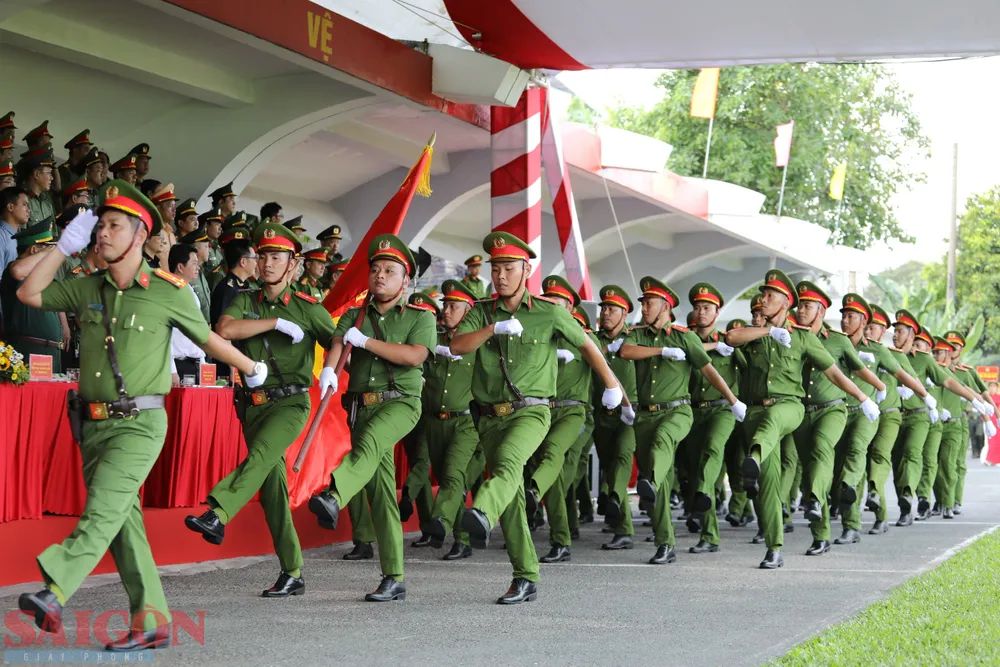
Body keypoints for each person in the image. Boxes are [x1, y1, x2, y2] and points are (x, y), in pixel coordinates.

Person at [15, 180, 267, 651]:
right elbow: (29, 293)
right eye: (100, 226)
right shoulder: (88, 286)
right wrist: (62, 247)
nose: (102, 233)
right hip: (90, 425)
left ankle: (55, 589)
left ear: (138, 236)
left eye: (113, 226)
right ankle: (150, 620)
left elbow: (208, 339)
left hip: (139, 424)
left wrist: (251, 368)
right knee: (122, 523)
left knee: (103, 509)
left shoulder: (168, 292)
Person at [446, 231, 624, 604]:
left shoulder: (549, 312)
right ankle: (525, 576)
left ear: (525, 270)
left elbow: (587, 344)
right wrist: (492, 328)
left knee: (509, 467)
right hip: (490, 416)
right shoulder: (481, 311)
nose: (500, 276)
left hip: (532, 411)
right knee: (510, 496)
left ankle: (480, 509)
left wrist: (612, 385)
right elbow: (457, 345)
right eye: (496, 269)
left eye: (509, 268)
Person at [185, 221, 334, 598]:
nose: (267, 263)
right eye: (262, 255)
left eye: (276, 256)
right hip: (252, 407)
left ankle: (216, 514)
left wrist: (330, 366)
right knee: (272, 492)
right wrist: (275, 323)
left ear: (293, 264)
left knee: (262, 456)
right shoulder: (245, 301)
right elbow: (223, 329)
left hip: (291, 403)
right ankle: (293, 571)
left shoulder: (307, 308)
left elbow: (335, 340)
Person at [307, 234, 436, 603]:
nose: (380, 275)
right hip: (360, 405)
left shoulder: (419, 317)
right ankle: (394, 577)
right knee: (380, 494)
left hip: (400, 403)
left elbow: (414, 356)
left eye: (390, 271)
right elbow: (336, 344)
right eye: (376, 269)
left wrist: (365, 343)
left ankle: (334, 494)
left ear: (405, 280)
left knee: (369, 443)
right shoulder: (354, 314)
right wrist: (331, 369)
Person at [725, 272, 879, 569]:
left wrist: (865, 398)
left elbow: (834, 372)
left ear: (785, 303)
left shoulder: (804, 337)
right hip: (757, 412)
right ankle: (774, 547)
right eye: (763, 295)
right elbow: (731, 338)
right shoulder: (757, 332)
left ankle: (754, 458)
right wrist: (767, 332)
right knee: (772, 482)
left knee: (813, 450)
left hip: (792, 407)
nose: (763, 300)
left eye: (770, 296)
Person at [619, 277, 744, 564]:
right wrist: (660, 351)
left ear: (665, 306)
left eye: (648, 303)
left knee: (672, 450)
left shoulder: (683, 337)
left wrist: (734, 401)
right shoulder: (637, 334)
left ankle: (652, 482)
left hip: (678, 410)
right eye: (643, 303)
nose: (644, 307)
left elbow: (710, 370)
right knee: (663, 482)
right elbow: (626, 352)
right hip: (645, 415)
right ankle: (666, 542)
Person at [788, 282, 882, 556]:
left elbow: (859, 370)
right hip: (802, 412)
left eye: (807, 306)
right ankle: (822, 535)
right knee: (812, 471)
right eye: (799, 305)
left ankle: (850, 524)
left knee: (828, 451)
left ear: (820, 311)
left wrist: (881, 390)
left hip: (833, 409)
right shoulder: (792, 336)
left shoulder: (838, 341)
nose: (801, 310)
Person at [416, 280, 486, 560]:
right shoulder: (433, 341)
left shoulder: (481, 343)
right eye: (445, 305)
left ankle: (441, 522)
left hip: (467, 421)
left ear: (468, 311)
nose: (446, 311)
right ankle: (462, 539)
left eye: (453, 306)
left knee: (454, 474)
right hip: (435, 421)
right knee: (449, 477)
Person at [681, 282, 748, 554]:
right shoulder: (685, 339)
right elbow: (685, 354)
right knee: (695, 467)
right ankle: (709, 536)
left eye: (706, 308)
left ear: (717, 312)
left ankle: (704, 494)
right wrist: (711, 348)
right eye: (697, 307)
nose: (700, 312)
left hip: (723, 408)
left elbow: (749, 371)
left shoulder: (730, 343)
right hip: (693, 409)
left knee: (713, 448)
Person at [861, 304, 939, 535]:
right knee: (891, 462)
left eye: (902, 331)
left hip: (915, 417)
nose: (896, 335)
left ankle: (908, 494)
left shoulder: (918, 360)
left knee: (912, 454)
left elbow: (933, 380)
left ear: (912, 335)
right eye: (894, 330)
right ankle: (894, 508)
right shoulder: (881, 353)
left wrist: (925, 395)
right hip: (887, 415)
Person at [589, 285, 637, 550]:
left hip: (628, 417)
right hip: (602, 415)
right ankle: (614, 502)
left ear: (625, 314)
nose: (606, 313)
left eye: (612, 309)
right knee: (609, 465)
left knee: (621, 460)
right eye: (604, 308)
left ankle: (624, 527)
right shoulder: (594, 340)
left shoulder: (636, 340)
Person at [0, 220, 64, 371]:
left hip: (51, 352)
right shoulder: (15, 270)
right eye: (48, 248)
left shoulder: (41, 276)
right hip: (30, 352)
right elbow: (18, 270)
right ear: (35, 250)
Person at [167, 244, 207, 383]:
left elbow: (197, 332)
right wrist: (172, 370)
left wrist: (203, 363)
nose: (198, 267)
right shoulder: (170, 293)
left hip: (194, 364)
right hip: (178, 366)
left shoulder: (189, 290)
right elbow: (165, 336)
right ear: (180, 267)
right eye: (194, 263)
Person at [178, 226, 212, 323]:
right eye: (206, 247)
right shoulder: (187, 274)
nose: (209, 250)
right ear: (196, 250)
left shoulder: (201, 272)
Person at [0, 186, 30, 283]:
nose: (28, 210)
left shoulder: (17, 236)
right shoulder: (1, 236)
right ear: (10, 207)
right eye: (24, 204)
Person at [20, 151, 56, 227]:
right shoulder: (21, 200)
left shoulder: (47, 202)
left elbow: (53, 235)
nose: (52, 178)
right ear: (36, 174)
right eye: (49, 173)